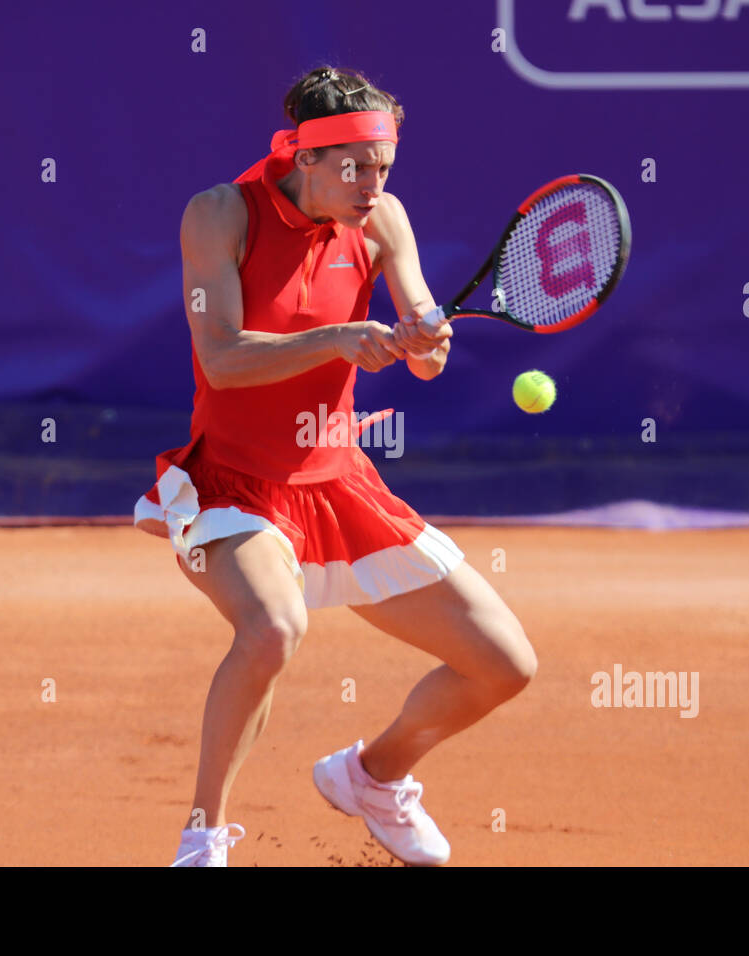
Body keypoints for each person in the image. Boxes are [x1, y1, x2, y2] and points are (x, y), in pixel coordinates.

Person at [135, 66, 537, 867]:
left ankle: (374, 777)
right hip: (236, 485)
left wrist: (426, 343)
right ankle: (202, 838)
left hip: (341, 481)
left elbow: (418, 319)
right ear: (303, 157)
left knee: (504, 664)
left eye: (383, 167)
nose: (371, 184)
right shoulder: (219, 215)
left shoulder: (383, 218)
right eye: (353, 166)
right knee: (274, 628)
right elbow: (220, 359)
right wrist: (338, 341)